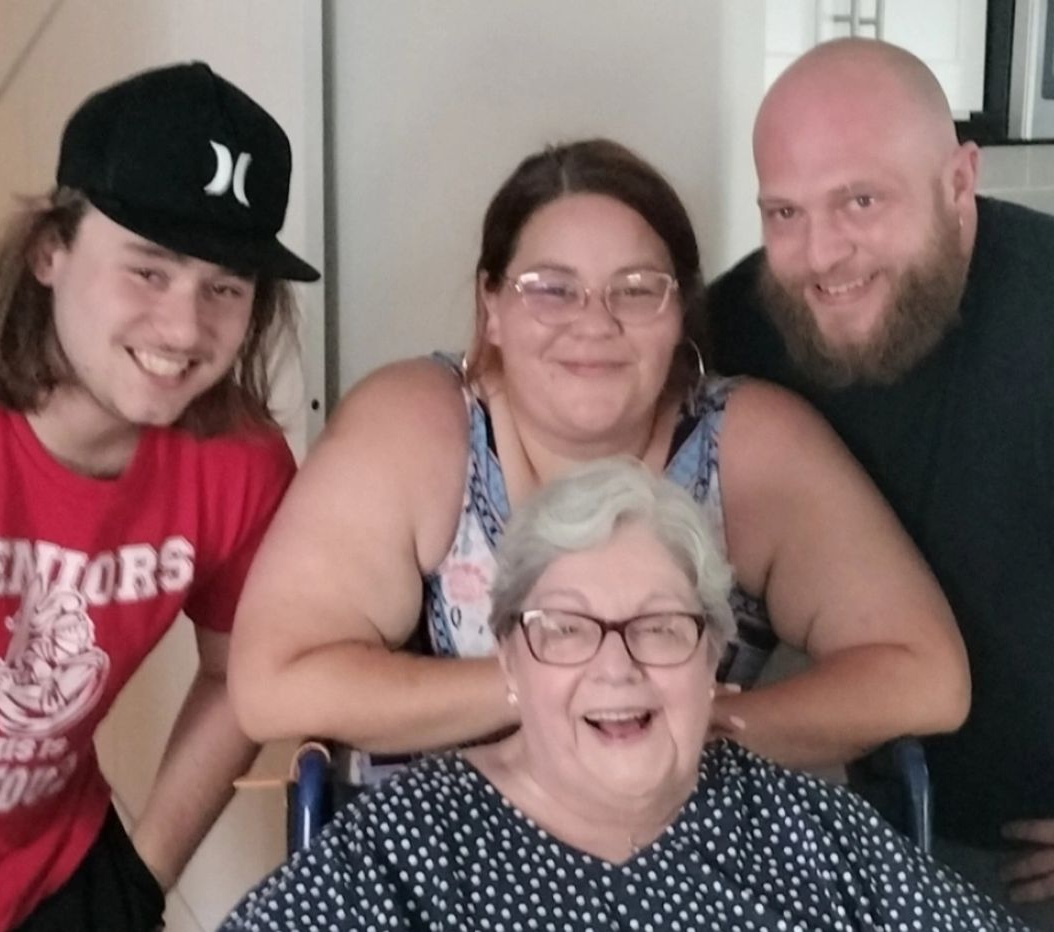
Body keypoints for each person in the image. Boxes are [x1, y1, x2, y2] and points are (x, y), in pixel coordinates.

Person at [227, 138, 969, 788]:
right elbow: (274, 685)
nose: (593, 322)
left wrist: (698, 725)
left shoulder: (752, 443)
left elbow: (926, 677)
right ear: (491, 306)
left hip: (688, 859)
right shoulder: (418, 424)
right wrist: (554, 689)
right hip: (464, 863)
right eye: (550, 289)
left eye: (637, 290)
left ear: (681, 312)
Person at [707, 37, 1054, 932]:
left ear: (959, 180)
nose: (823, 254)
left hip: (1050, 854)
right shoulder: (750, 320)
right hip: (848, 818)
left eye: (860, 200)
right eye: (783, 212)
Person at [221, 458, 1027, 931]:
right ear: (511, 659)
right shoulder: (402, 850)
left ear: (713, 654)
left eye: (661, 627)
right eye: (567, 629)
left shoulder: (815, 835)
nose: (618, 668)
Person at [0, 62, 319, 931]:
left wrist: (139, 878)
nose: (184, 329)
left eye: (225, 287)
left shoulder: (236, 462)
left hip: (53, 880)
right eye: (149, 269)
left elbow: (237, 669)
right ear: (49, 250)